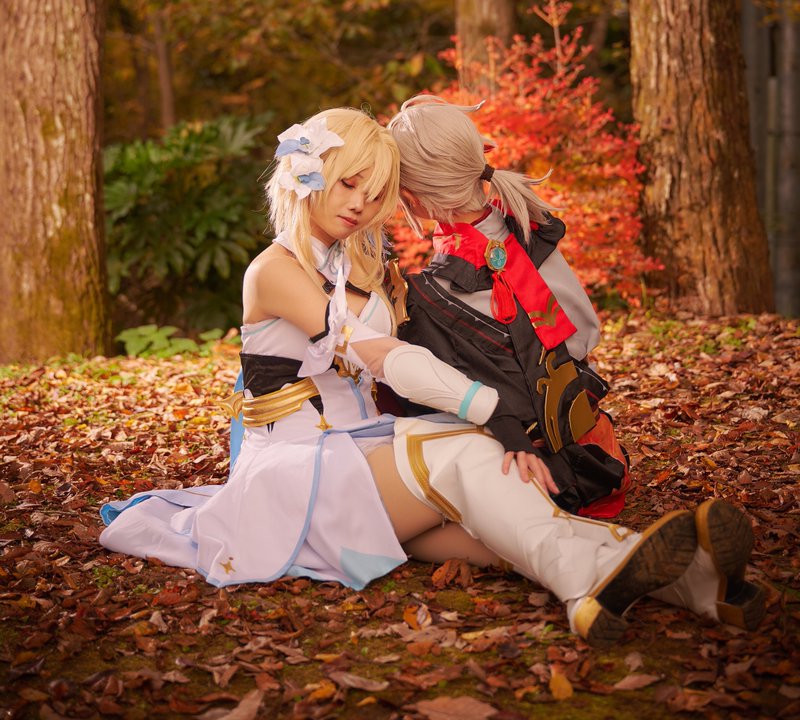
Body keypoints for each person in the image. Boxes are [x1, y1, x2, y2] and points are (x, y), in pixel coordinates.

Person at [99, 108, 716, 645]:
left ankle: (698, 584)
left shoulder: (355, 262)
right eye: (348, 183)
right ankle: (595, 584)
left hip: (356, 460)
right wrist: (497, 414)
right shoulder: (274, 270)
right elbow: (381, 356)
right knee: (473, 453)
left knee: (502, 525)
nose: (360, 205)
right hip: (298, 475)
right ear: (308, 174)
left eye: (376, 194)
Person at [386, 95, 766, 632]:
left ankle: (644, 574)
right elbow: (584, 333)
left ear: (413, 196)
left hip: (524, 472)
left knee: (411, 516)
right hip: (594, 457)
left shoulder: (427, 295)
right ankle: (704, 584)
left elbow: (430, 398)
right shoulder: (530, 229)